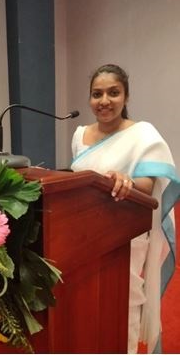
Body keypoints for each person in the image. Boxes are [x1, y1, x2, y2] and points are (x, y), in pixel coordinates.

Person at [71, 64, 180, 353]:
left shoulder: (143, 134)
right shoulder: (80, 134)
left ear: (126, 97)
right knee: (86, 304)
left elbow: (150, 185)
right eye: (97, 94)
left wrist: (128, 180)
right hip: (81, 236)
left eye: (113, 93)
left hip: (125, 236)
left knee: (123, 305)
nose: (104, 101)